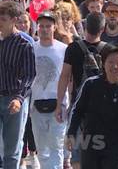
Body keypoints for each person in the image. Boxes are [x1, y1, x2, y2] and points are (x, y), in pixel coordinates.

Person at [66, 44, 118, 169]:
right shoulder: (90, 84)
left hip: (117, 146)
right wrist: (71, 133)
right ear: (103, 63)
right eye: (110, 62)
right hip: (91, 142)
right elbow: (77, 110)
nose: (114, 66)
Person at [55, 12, 106, 169]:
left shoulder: (73, 48)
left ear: (84, 27)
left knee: (77, 152)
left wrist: (59, 104)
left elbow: (64, 77)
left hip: (78, 106)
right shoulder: (108, 50)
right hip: (102, 109)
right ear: (102, 29)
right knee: (100, 149)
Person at [0, 1, 36, 169]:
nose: (0, 21)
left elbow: (29, 75)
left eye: (3, 18)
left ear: (14, 20)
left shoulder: (24, 44)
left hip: (13, 99)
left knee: (12, 148)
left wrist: (19, 98)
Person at [31, 11, 68, 169]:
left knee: (56, 146)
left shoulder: (64, 49)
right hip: (37, 103)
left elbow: (68, 77)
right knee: (42, 148)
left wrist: (66, 102)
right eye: (41, 26)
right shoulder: (31, 48)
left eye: (48, 26)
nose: (44, 29)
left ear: (54, 28)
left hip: (58, 103)